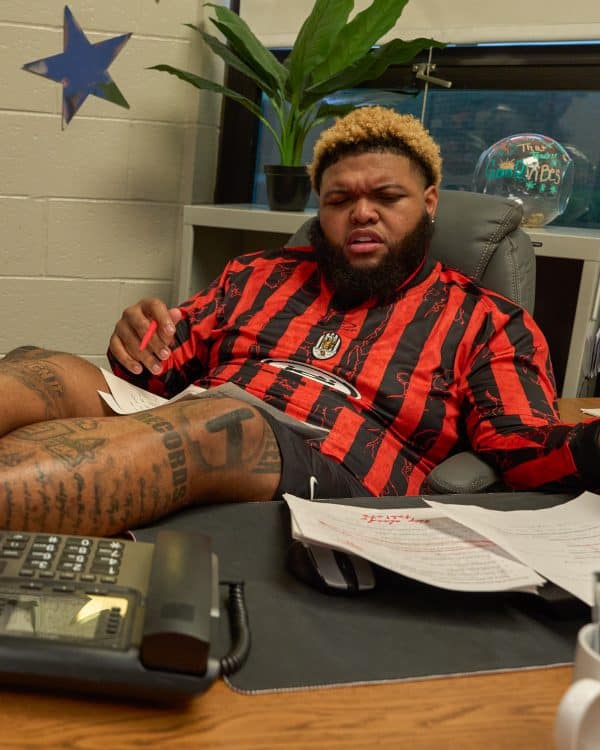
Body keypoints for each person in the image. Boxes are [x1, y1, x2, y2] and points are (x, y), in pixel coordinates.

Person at [1, 106, 598, 537]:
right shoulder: (257, 275)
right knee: (44, 367)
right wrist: (140, 337)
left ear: (430, 202)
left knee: (227, 423)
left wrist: (591, 446)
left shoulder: (488, 321)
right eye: (340, 201)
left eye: (387, 197)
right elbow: (156, 374)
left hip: (347, 488)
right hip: (194, 420)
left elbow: (522, 448)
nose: (362, 213)